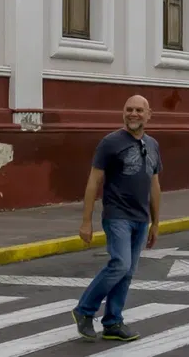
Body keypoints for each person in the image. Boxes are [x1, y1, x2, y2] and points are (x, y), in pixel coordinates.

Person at [72, 95, 160, 342]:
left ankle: (113, 322)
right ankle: (85, 310)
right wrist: (86, 221)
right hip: (117, 215)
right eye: (129, 109)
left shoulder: (152, 144)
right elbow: (93, 181)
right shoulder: (110, 142)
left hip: (141, 218)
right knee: (120, 264)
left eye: (139, 110)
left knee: (128, 271)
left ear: (148, 114)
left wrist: (156, 223)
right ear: (123, 113)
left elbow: (155, 185)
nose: (134, 114)